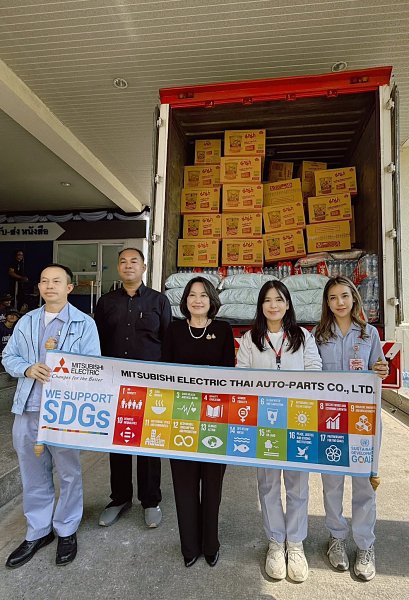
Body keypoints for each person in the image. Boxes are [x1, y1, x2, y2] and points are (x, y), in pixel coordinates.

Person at [2, 263, 100, 569]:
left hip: (64, 411)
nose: (49, 286)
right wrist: (27, 368)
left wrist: (67, 375)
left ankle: (67, 529)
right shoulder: (27, 321)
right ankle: (38, 530)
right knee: (32, 472)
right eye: (44, 281)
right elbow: (8, 356)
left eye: (56, 281)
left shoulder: (84, 324)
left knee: (69, 472)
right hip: (28, 408)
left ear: (69, 287)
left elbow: (93, 365)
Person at [236, 280, 322, 582]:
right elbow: (241, 377)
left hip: (298, 420)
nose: (273, 305)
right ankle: (275, 542)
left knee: (298, 485)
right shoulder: (250, 339)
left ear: (288, 304)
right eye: (268, 300)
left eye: (279, 299)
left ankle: (295, 544)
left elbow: (314, 371)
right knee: (268, 484)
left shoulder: (303, 337)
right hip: (264, 423)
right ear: (261, 306)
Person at [313, 276, 388, 581]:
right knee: (332, 482)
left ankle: (365, 545)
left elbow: (379, 370)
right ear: (327, 303)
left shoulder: (370, 334)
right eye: (333, 298)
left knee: (363, 484)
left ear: (354, 298)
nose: (339, 302)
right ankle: (336, 538)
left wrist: (381, 369)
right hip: (329, 418)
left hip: (362, 421)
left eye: (344, 296)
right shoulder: (318, 336)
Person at [94, 248, 171, 528]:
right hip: (115, 383)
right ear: (118, 267)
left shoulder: (159, 301)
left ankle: (150, 500)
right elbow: (97, 342)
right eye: (123, 261)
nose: (128, 266)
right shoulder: (106, 302)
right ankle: (120, 498)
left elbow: (167, 341)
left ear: (144, 267)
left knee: (149, 441)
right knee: (119, 440)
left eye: (134, 261)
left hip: (150, 384)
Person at [162, 276, 235, 567]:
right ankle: (189, 546)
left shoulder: (223, 330)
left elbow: (230, 375)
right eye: (192, 295)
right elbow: (165, 372)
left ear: (212, 300)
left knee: (213, 485)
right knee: (184, 484)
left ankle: (210, 544)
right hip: (180, 417)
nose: (197, 300)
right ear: (185, 300)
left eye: (203, 295)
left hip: (216, 418)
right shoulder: (174, 329)